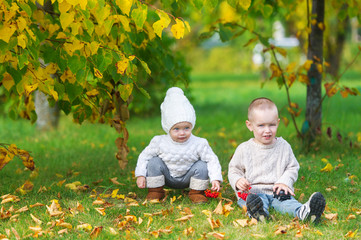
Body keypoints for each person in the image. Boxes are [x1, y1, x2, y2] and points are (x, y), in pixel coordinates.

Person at [228, 97, 326, 222]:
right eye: (261, 125)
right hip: (253, 193)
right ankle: (258, 213)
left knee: (287, 204)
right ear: (250, 125)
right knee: (253, 202)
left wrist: (285, 182)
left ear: (278, 123)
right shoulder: (244, 149)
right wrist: (238, 181)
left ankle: (305, 212)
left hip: (278, 192)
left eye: (272, 125)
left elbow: (292, 167)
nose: (267, 130)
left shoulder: (283, 146)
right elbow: (234, 170)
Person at [135, 87, 222, 203]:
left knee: (202, 165)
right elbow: (144, 156)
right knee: (153, 161)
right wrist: (140, 175)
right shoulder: (159, 142)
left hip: (189, 178)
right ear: (168, 128)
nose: (182, 133)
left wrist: (215, 178)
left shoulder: (199, 143)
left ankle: (196, 192)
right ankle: (155, 191)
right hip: (167, 177)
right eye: (176, 129)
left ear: (192, 126)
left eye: (187, 128)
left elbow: (212, 159)